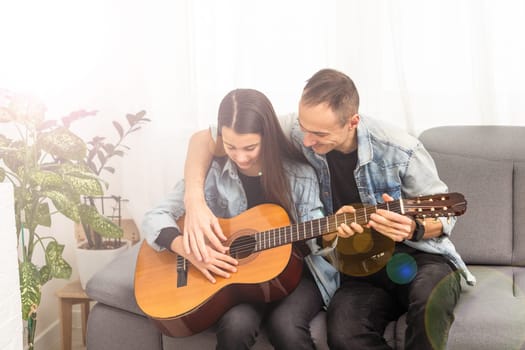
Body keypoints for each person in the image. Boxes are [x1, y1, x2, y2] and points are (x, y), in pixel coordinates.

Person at [182, 69, 475, 350]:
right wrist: (194, 201)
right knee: (345, 336)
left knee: (429, 300)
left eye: (319, 134)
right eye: (304, 128)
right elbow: (203, 139)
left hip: (418, 257)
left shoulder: (400, 149)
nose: (307, 140)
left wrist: (415, 227)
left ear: (353, 122)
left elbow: (445, 212)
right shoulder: (300, 129)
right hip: (359, 267)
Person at [142, 88, 338, 350]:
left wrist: (332, 231)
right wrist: (187, 250)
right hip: (239, 280)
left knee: (286, 327)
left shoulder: (300, 174)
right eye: (230, 147)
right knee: (236, 325)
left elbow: (317, 237)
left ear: (267, 139)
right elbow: (154, 217)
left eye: (250, 147)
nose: (241, 157)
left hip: (296, 276)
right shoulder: (211, 173)